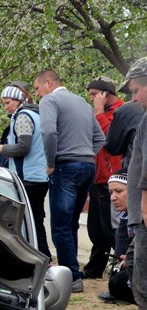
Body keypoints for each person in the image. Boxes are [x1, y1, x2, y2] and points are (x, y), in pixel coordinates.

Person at [33, 69, 106, 292]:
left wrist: (52, 162)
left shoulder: (50, 100)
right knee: (72, 223)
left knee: (60, 226)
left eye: (36, 88)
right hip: (87, 167)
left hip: (65, 167)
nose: (36, 94)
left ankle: (71, 277)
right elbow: (100, 138)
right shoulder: (83, 103)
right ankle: (73, 272)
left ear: (48, 83)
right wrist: (85, 154)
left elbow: (47, 131)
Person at [0, 84, 51, 259]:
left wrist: (2, 148)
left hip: (28, 178)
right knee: (36, 221)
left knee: (27, 222)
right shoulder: (37, 114)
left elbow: (23, 147)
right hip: (39, 177)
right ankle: (42, 256)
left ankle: (38, 257)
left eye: (8, 102)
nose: (6, 107)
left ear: (19, 100)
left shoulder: (23, 117)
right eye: (3, 103)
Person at [84, 76, 124, 279]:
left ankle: (123, 270)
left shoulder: (119, 112)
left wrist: (98, 111)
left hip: (112, 179)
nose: (91, 99)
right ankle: (94, 268)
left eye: (93, 95)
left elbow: (109, 138)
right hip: (98, 177)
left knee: (111, 229)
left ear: (104, 94)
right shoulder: (104, 112)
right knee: (96, 229)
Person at [122, 56, 147, 310]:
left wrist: (143, 209)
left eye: (136, 91)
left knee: (144, 288)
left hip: (144, 217)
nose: (134, 98)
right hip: (138, 219)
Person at [98, 173, 135, 304]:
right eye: (111, 192)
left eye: (119, 191)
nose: (113, 197)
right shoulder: (128, 216)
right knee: (116, 283)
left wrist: (135, 261)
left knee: (119, 282)